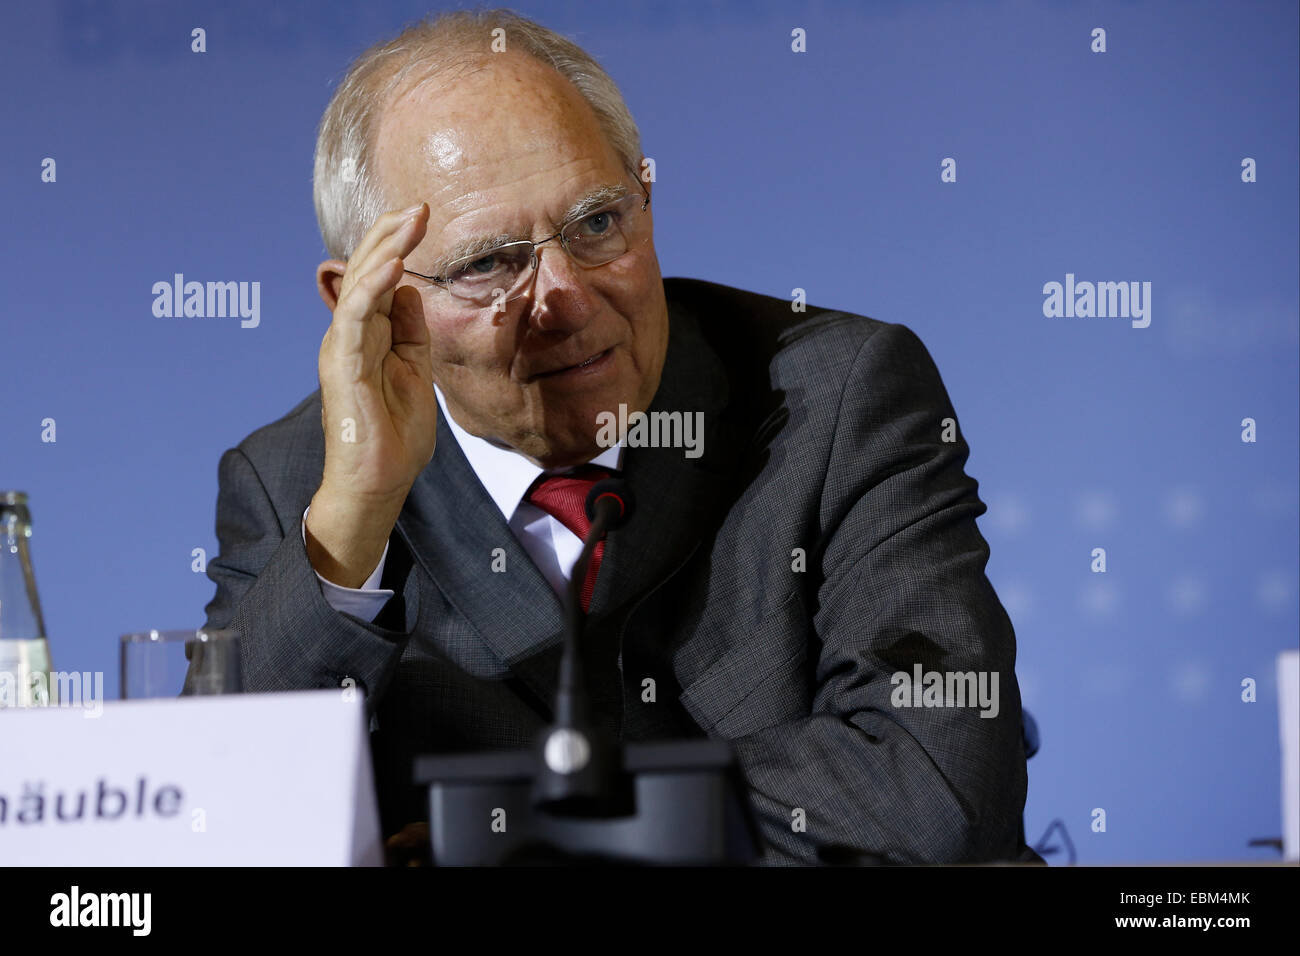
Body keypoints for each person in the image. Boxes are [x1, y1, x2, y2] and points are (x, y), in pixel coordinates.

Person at [200, 9, 1035, 865]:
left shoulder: (837, 395)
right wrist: (356, 516)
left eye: (598, 223)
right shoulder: (294, 482)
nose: (564, 296)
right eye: (488, 262)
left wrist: (511, 837)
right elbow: (219, 826)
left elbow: (933, 786)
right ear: (364, 305)